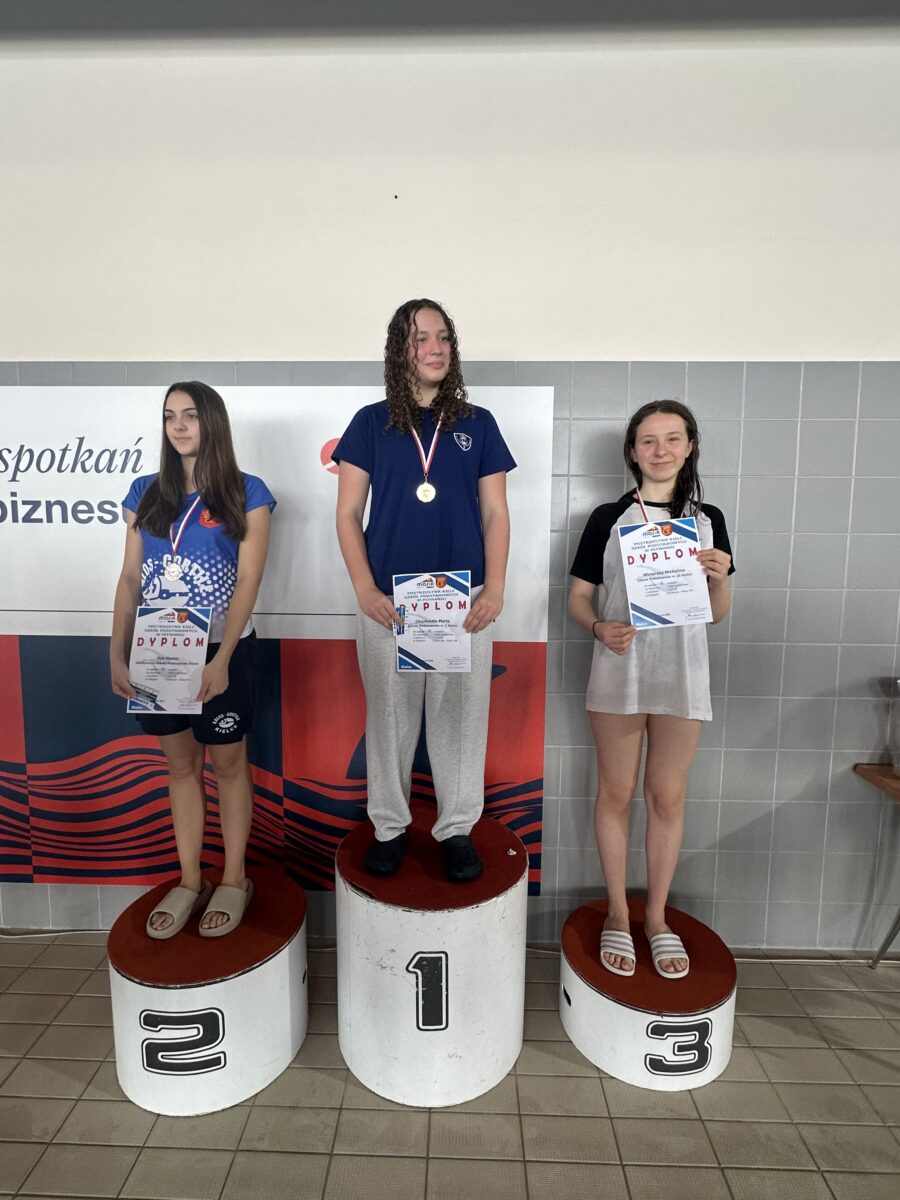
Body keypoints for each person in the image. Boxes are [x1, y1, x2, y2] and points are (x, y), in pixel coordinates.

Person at [333, 299, 515, 882]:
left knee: (460, 719)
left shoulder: (478, 423)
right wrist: (364, 588)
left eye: (443, 337)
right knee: (389, 719)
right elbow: (347, 514)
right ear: (400, 350)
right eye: (420, 339)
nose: (435, 348)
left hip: (463, 601)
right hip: (389, 602)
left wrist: (495, 586)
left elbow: (496, 513)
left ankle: (456, 828)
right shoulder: (370, 423)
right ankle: (389, 827)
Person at [568, 400, 733, 978]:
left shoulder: (707, 520)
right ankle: (618, 912)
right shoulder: (607, 518)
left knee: (667, 798)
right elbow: (578, 597)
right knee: (615, 794)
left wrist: (719, 578)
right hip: (620, 670)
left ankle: (657, 918)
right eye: (648, 440)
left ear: (690, 447)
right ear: (633, 452)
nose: (660, 450)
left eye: (672, 438)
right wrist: (598, 627)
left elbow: (716, 613)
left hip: (682, 674)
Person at [110, 382, 275, 939]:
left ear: (212, 422)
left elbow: (249, 578)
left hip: (222, 650)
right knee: (180, 768)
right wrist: (116, 652)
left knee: (228, 766)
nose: (178, 426)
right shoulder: (145, 492)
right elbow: (130, 578)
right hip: (158, 650)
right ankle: (189, 880)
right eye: (169, 416)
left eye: (190, 415)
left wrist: (223, 658)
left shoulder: (247, 491)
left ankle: (234, 878)